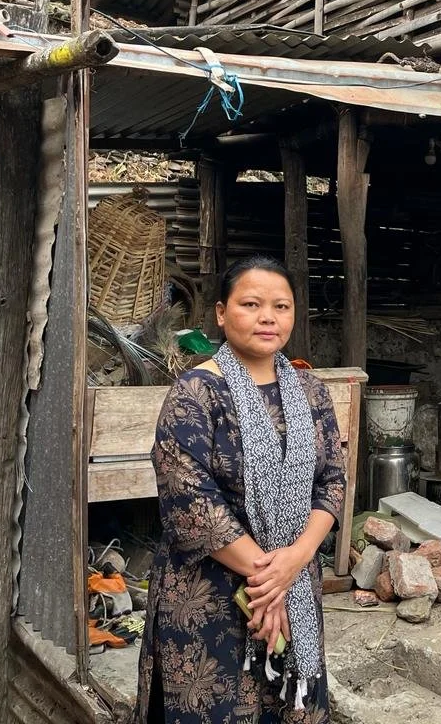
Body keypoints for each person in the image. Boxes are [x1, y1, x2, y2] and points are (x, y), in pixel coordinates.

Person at [136, 255, 346, 723]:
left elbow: (332, 481)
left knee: (289, 705)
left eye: (281, 306)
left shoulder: (312, 392)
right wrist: (270, 583)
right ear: (220, 313)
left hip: (295, 581)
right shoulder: (195, 393)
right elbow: (192, 502)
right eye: (251, 304)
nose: (268, 317)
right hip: (211, 598)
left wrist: (294, 562)